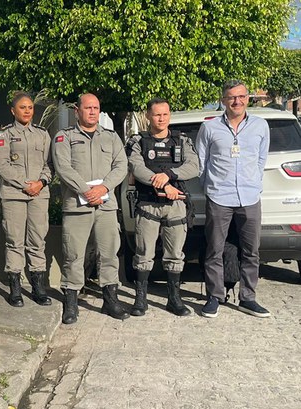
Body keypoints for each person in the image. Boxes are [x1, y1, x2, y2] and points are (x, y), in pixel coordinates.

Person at [195, 79, 271, 319]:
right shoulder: (209, 128)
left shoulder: (260, 126)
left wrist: (254, 182)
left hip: (249, 197)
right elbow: (201, 162)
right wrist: (212, 186)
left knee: (251, 251)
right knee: (214, 250)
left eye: (241, 96)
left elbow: (261, 159)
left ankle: (248, 298)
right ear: (223, 100)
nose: (237, 101)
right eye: (231, 97)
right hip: (219, 197)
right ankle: (214, 297)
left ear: (247, 98)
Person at [51, 93, 128, 324]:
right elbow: (63, 168)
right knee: (73, 254)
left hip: (105, 206)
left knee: (109, 253)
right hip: (77, 206)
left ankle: (110, 299)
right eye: (88, 108)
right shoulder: (64, 137)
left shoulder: (111, 137)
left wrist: (103, 188)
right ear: (78, 111)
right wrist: (86, 191)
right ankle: (72, 301)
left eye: (96, 108)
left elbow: (121, 165)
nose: (92, 112)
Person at [125, 98, 198, 317]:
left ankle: (174, 299)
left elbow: (194, 166)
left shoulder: (181, 141)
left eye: (165, 114)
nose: (161, 118)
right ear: (148, 115)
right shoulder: (137, 142)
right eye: (157, 114)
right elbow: (136, 168)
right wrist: (165, 185)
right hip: (148, 204)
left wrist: (169, 175)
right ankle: (140, 299)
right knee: (143, 252)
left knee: (175, 254)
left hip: (176, 205)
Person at [0, 92, 53, 307]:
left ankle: (39, 288)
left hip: (39, 194)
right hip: (14, 194)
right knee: (14, 240)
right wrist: (25, 184)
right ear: (13, 111)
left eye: (30, 107)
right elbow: (1, 165)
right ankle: (15, 289)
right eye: (22, 107)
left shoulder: (42, 134)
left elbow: (49, 164)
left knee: (38, 240)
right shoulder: (5, 135)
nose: (27, 111)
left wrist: (41, 183)